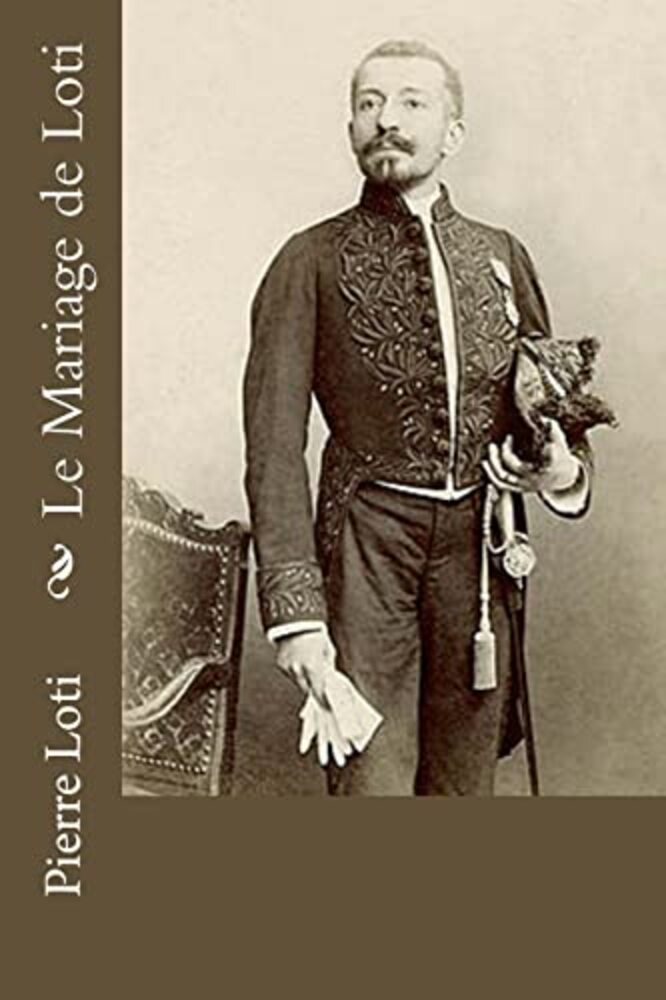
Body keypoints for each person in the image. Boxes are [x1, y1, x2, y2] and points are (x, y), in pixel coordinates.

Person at [242, 39, 591, 795]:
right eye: (368, 104)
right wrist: (297, 613)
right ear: (350, 129)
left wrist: (557, 467)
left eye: (410, 103)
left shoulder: (503, 256)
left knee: (463, 790)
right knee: (371, 787)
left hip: (479, 556)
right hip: (366, 550)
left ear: (452, 132)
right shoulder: (309, 260)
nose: (386, 120)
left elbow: (553, 411)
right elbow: (272, 447)